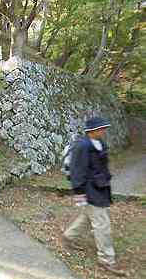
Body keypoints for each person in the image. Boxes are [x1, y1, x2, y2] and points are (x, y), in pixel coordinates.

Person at [62, 117, 126, 277]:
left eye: (104, 128)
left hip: (100, 187)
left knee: (88, 217)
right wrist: (79, 192)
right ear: (92, 130)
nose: (104, 131)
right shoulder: (82, 146)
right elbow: (77, 171)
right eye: (101, 128)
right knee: (102, 223)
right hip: (89, 190)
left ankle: (68, 237)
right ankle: (106, 259)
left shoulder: (100, 143)